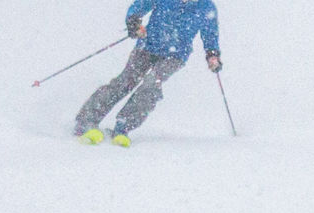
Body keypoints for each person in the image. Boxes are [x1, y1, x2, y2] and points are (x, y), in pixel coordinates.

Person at [74, 0, 222, 146]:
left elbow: (210, 34)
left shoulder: (206, 6)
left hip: (175, 56)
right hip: (147, 46)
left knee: (152, 84)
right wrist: (133, 22)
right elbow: (139, 5)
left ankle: (123, 127)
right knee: (126, 81)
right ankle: (87, 120)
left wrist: (212, 54)